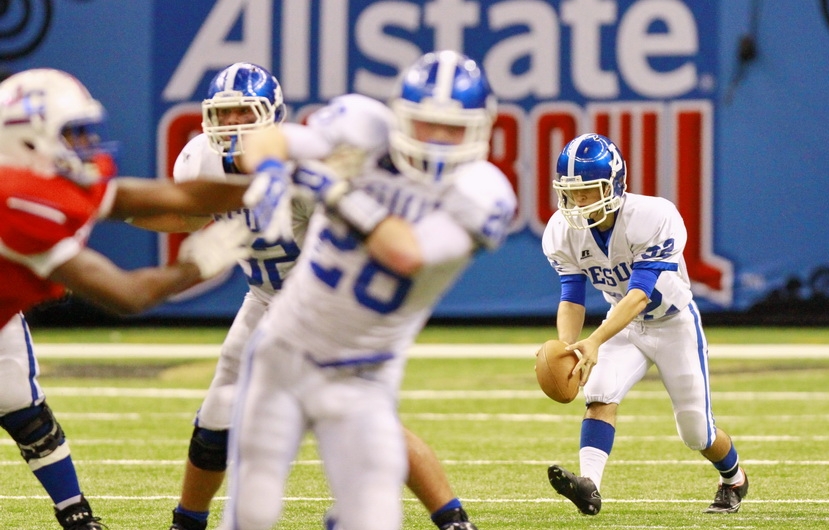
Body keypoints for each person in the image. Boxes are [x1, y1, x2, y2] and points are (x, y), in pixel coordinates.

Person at [130, 62, 485, 530]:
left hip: (320, 303)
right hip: (263, 299)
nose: (235, 124)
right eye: (226, 113)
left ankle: (452, 517)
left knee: (366, 420)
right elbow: (187, 217)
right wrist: (112, 215)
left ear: (272, 115)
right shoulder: (200, 158)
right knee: (216, 418)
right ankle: (187, 520)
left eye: (245, 112)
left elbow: (362, 235)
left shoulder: (305, 167)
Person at [215, 50, 516, 530]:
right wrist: (271, 170)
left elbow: (406, 252)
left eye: (452, 128)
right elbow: (266, 140)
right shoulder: (362, 126)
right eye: (424, 124)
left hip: (364, 377)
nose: (437, 140)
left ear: (480, 128)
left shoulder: (482, 194)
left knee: (373, 520)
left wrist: (333, 190)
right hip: (283, 353)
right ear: (399, 117)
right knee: (252, 512)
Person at [0, 68, 258, 530]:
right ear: (28, 140)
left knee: (20, 401)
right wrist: (195, 265)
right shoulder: (16, 201)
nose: (84, 144)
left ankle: (75, 516)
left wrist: (279, 185)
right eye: (72, 133)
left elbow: (162, 196)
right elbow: (127, 295)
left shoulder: (39, 176)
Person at [540, 133, 749, 516]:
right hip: (625, 326)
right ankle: (590, 486)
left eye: (588, 190)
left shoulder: (654, 216)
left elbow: (639, 295)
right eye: (572, 191)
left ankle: (733, 478)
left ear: (614, 185)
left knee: (696, 432)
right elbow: (571, 296)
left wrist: (596, 341)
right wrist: (570, 348)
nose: (579, 200)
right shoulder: (562, 230)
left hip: (673, 325)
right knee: (600, 393)